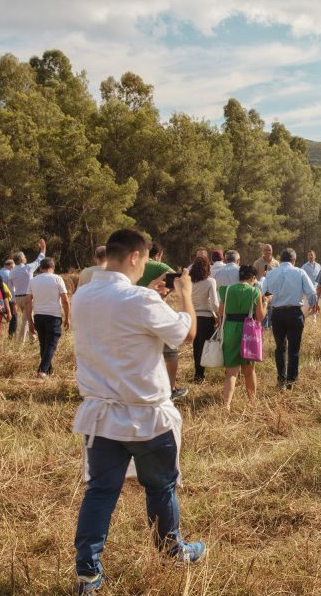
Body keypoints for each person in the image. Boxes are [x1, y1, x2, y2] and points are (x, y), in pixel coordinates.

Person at [70, 228, 203, 594]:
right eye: (145, 260)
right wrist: (186, 297)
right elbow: (185, 334)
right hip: (146, 417)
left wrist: (150, 295)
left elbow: (121, 311)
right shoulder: (140, 301)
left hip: (101, 417)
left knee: (100, 492)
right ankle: (172, 549)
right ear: (134, 257)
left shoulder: (83, 296)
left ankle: (87, 572)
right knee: (160, 487)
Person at [262, 249, 318, 389]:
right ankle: (291, 382)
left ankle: (281, 380)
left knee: (280, 348)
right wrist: (311, 307)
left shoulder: (271, 273)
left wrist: (276, 295)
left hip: (277, 314)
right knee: (294, 349)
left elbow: (264, 293)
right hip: (295, 313)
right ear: (294, 260)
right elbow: (311, 292)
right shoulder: (299, 272)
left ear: (280, 260)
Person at [136, 243, 185, 400]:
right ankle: (170, 389)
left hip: (133, 311)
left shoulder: (135, 265)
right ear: (158, 255)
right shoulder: (159, 265)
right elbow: (177, 278)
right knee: (170, 352)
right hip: (155, 310)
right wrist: (167, 292)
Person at [215, 265, 266, 410]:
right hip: (248, 331)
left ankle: (226, 405)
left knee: (231, 372)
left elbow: (220, 312)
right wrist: (266, 302)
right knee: (249, 371)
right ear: (252, 278)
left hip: (230, 329)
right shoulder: (255, 291)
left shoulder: (226, 290)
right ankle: (252, 403)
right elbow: (260, 316)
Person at [27, 257, 71, 379]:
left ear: (40, 268)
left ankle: (48, 371)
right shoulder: (57, 279)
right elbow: (65, 300)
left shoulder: (33, 281)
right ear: (53, 268)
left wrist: (30, 321)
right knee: (51, 345)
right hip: (53, 316)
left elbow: (27, 302)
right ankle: (42, 371)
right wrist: (67, 318)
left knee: (44, 345)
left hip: (38, 316)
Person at [188, 256, 219, 383]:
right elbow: (214, 303)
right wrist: (218, 316)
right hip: (206, 317)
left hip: (193, 317)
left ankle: (198, 375)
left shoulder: (189, 281)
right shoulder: (210, 281)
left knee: (197, 347)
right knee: (208, 345)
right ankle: (209, 367)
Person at [11, 239, 47, 342]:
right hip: (27, 297)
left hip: (18, 298)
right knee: (26, 320)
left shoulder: (12, 271)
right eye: (24, 257)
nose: (26, 258)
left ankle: (33, 338)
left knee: (29, 317)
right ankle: (20, 342)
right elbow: (39, 260)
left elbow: (10, 287)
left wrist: (13, 300)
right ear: (22, 259)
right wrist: (43, 248)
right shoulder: (28, 268)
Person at [0, 259, 18, 337]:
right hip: (9, 300)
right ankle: (11, 336)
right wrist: (14, 300)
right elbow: (12, 289)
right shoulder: (11, 274)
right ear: (11, 266)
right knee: (14, 317)